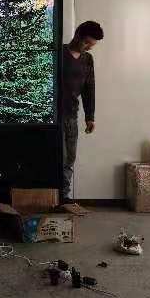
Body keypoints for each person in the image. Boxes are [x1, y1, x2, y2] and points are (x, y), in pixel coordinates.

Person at [61, 21, 103, 203]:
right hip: (54, 116)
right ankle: (53, 196)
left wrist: (90, 117)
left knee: (70, 158)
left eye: (92, 45)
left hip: (72, 115)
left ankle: (64, 197)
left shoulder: (87, 59)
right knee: (59, 157)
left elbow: (89, 89)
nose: (89, 47)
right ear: (77, 35)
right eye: (87, 42)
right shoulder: (59, 53)